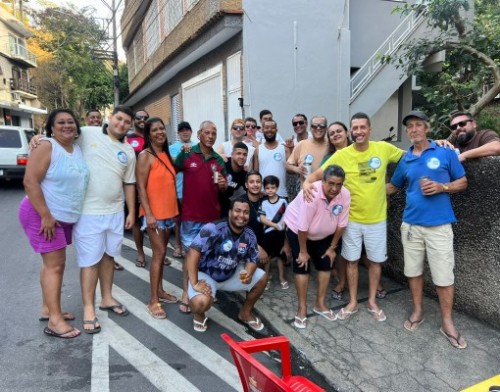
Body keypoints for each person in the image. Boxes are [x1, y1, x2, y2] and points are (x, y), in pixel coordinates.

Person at [303, 112, 404, 322]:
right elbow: (317, 175)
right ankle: (352, 302)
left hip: (377, 219)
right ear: (351, 131)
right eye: (355, 128)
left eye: (362, 127)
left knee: (376, 263)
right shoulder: (341, 155)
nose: (358, 132)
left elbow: (410, 156)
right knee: (351, 261)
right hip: (352, 220)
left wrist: (397, 182)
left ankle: (372, 302)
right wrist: (306, 183)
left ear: (370, 129)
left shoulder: (383, 149)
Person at [387, 110, 468, 349]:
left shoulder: (445, 152)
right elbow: (393, 186)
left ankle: (447, 322)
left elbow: (462, 182)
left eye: (418, 125)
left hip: (440, 226)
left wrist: (442, 186)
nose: (413, 129)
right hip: (411, 226)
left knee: (444, 276)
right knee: (413, 272)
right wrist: (361, 192)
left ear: (427, 127)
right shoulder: (406, 159)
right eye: (409, 126)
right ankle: (418, 311)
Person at [20, 109, 89, 339]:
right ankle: (55, 321)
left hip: (63, 215)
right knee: (55, 266)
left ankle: (48, 308)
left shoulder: (76, 148)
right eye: (61, 122)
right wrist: (46, 215)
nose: (66, 125)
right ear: (51, 127)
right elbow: (30, 181)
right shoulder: (47, 146)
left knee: (51, 264)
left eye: (71, 122)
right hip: (44, 214)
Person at [74, 105, 136, 333]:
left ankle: (107, 298)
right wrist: (40, 140)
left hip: (115, 213)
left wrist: (130, 211)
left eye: (126, 122)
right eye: (119, 119)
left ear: (130, 126)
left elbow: (129, 183)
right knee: (90, 261)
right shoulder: (87, 133)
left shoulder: (128, 151)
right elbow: (61, 138)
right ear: (111, 118)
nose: (121, 124)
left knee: (109, 256)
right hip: (88, 213)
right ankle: (88, 308)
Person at [186, 199, 268, 333]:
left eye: (246, 212)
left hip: (230, 274)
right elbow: (193, 252)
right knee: (200, 303)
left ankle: (245, 313)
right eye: (238, 211)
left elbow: (252, 258)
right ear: (230, 212)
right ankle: (199, 314)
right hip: (207, 274)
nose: (241, 215)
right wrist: (194, 282)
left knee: (262, 278)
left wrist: (248, 273)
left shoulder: (250, 235)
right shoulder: (213, 228)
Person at [285, 165, 350, 328]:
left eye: (339, 184)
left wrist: (332, 248)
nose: (335, 188)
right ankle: (302, 308)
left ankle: (320, 304)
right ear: (323, 181)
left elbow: (342, 224)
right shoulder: (312, 193)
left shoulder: (345, 195)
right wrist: (303, 251)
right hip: (298, 230)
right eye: (331, 183)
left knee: (326, 263)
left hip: (323, 234)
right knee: (302, 265)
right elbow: (302, 227)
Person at [175, 120, 227, 313]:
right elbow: (172, 169)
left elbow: (224, 188)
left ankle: (204, 291)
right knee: (190, 257)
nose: (211, 136)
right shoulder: (188, 153)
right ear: (199, 134)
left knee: (207, 257)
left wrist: (222, 183)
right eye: (207, 132)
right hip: (190, 217)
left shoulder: (219, 161)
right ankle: (185, 293)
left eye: (214, 133)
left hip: (211, 219)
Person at [136, 117, 179, 319]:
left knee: (161, 256)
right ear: (148, 134)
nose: (160, 132)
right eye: (154, 130)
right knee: (159, 253)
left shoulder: (166, 154)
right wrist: (149, 214)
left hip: (168, 213)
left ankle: (160, 291)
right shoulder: (145, 155)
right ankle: (153, 300)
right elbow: (140, 187)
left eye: (162, 128)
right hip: (154, 216)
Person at [127, 109, 150, 268]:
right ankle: (140, 253)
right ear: (133, 120)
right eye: (139, 117)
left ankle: (159, 253)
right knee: (136, 221)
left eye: (145, 118)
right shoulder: (127, 139)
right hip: (134, 186)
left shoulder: (152, 137)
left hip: (152, 186)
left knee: (154, 220)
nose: (142, 120)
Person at [168, 121, 193, 259]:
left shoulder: (197, 146)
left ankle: (190, 246)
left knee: (191, 219)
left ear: (191, 131)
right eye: (182, 130)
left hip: (194, 191)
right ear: (178, 133)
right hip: (177, 190)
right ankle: (178, 245)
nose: (185, 132)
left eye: (187, 130)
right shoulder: (172, 147)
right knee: (178, 220)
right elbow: (175, 163)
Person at [259, 175, 288, 289]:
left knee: (280, 256)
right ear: (264, 188)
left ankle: (282, 277)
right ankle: (266, 278)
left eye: (273, 187)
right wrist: (275, 225)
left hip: (280, 234)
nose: (270, 190)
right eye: (267, 188)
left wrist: (283, 225)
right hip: (268, 234)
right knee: (267, 258)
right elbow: (262, 219)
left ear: (277, 187)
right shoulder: (264, 202)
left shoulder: (283, 201)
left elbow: (287, 217)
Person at [286, 115, 329, 186]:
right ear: (311, 128)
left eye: (322, 126)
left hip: (327, 193)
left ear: (326, 128)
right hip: (306, 193)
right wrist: (297, 169)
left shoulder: (331, 146)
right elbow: (288, 165)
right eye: (314, 126)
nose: (318, 128)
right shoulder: (301, 144)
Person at [253, 119, 289, 198]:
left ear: (276, 130)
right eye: (266, 128)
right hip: (263, 194)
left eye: (272, 128)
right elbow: (255, 174)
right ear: (262, 130)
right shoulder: (258, 150)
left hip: (281, 194)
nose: (269, 130)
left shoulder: (284, 148)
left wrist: (292, 149)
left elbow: (291, 169)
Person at [219, 141, 248, 218]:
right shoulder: (222, 163)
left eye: (244, 154)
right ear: (232, 154)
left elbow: (249, 191)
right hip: (211, 201)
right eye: (238, 153)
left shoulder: (244, 173)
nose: (242, 157)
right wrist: (217, 155)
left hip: (225, 203)